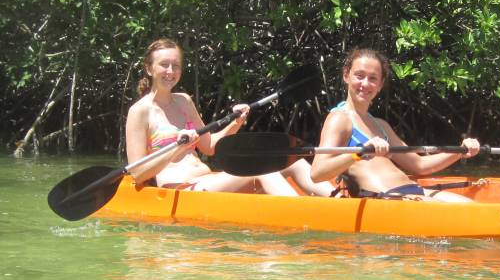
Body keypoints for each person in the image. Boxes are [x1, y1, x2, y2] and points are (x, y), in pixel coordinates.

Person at [126, 38, 334, 196]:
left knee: (291, 162)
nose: (170, 71)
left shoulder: (183, 101)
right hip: (181, 189)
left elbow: (210, 146)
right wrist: (176, 149)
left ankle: (339, 201)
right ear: (149, 68)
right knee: (262, 169)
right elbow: (137, 173)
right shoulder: (140, 111)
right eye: (164, 64)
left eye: (176, 65)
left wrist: (236, 122)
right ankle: (301, 214)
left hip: (208, 179)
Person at [310, 48, 479, 202]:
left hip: (414, 192)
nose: (365, 84)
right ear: (346, 75)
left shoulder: (381, 125)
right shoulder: (339, 119)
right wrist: (359, 152)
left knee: (469, 206)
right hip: (386, 197)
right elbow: (317, 173)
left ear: (380, 84)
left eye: (373, 78)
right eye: (359, 76)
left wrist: (460, 151)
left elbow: (419, 165)